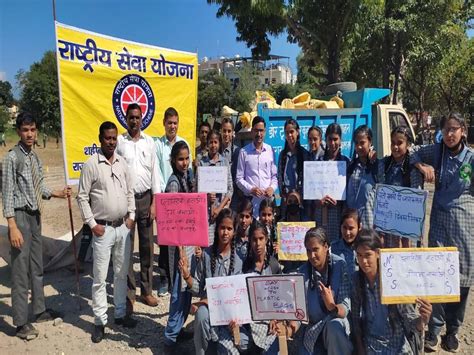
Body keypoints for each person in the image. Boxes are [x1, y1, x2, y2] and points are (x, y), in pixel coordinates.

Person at [2, 112, 71, 340]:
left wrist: (58, 193)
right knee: (21, 271)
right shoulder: (12, 158)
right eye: (25, 130)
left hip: (35, 216)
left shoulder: (34, 157)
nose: (29, 134)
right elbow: (7, 193)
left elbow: (40, 185)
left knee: (37, 266)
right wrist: (11, 225)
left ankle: (39, 310)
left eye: (32, 130)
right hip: (20, 218)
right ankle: (20, 322)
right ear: (19, 131)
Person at [411, 112, 473, 353]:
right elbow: (413, 151)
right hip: (438, 223)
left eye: (454, 129)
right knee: (436, 275)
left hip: (465, 225)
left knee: (463, 280)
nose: (449, 134)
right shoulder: (436, 151)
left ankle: (453, 331)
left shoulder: (471, 158)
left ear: (463, 131)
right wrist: (422, 166)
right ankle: (434, 332)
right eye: (446, 129)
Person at [76, 121, 137, 343]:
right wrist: (93, 225)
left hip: (122, 228)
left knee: (121, 274)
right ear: (100, 139)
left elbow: (130, 191)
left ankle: (119, 314)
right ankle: (100, 321)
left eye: (114, 138)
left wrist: (131, 217)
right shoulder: (92, 164)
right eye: (107, 138)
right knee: (100, 278)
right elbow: (82, 197)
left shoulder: (122, 163)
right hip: (102, 230)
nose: (111, 142)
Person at [352, 229, 432, 354]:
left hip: (397, 347)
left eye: (368, 255)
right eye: (359, 255)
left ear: (378, 253)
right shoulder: (357, 280)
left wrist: (422, 320)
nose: (363, 261)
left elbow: (409, 319)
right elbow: (355, 319)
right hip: (371, 346)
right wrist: (361, 348)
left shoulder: (393, 280)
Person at [178, 208, 244, 355]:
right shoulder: (207, 255)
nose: (225, 233)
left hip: (229, 313)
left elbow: (238, 297)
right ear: (216, 229)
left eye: (229, 228)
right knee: (201, 315)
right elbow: (198, 289)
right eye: (222, 228)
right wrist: (187, 276)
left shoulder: (239, 260)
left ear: (234, 231)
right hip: (209, 309)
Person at [278, 227, 352, 355]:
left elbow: (345, 308)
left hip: (335, 327)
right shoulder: (302, 273)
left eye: (316, 249)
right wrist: (289, 330)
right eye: (308, 250)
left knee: (334, 325)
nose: (312, 255)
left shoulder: (340, 265)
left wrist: (332, 307)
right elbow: (301, 314)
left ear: (326, 247)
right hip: (313, 330)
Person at [116, 103, 161, 312]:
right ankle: (129, 293)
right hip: (126, 201)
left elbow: (154, 173)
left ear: (142, 119)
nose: (134, 120)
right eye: (131, 117)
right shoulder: (119, 142)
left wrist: (155, 202)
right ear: (126, 118)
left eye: (137, 117)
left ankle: (146, 291)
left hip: (145, 199)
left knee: (146, 248)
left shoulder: (149, 142)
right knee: (126, 247)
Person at [155, 107, 192, 296]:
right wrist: (164, 195)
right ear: (164, 123)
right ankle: (166, 279)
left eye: (175, 123)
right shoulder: (157, 145)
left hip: (180, 200)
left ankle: (180, 278)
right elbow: (157, 172)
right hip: (165, 196)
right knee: (166, 243)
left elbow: (189, 172)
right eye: (169, 123)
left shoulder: (184, 144)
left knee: (179, 244)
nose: (172, 126)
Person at [163, 140, 197, 349]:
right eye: (180, 159)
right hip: (179, 248)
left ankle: (177, 329)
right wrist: (181, 251)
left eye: (186, 159)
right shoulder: (174, 183)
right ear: (173, 161)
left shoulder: (187, 178)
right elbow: (173, 221)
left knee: (185, 289)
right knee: (178, 291)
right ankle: (170, 338)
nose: (184, 163)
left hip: (187, 243)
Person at [369, 126, 423, 248]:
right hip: (387, 222)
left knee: (406, 253)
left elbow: (417, 199)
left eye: (400, 143)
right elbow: (380, 189)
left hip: (407, 222)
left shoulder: (413, 168)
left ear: (408, 144)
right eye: (393, 143)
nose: (395, 147)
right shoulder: (385, 164)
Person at [236, 116, 278, 217]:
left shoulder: (270, 150)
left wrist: (272, 188)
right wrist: (251, 189)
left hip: (268, 204)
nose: (259, 134)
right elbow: (239, 179)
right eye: (256, 131)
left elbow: (274, 176)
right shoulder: (244, 152)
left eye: (261, 131)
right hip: (251, 203)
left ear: (265, 132)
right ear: (252, 131)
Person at [316, 123, 351, 242]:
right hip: (321, 212)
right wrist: (318, 200)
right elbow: (313, 188)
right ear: (325, 139)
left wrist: (340, 201)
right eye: (330, 139)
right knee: (321, 242)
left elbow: (349, 190)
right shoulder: (318, 162)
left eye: (335, 139)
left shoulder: (347, 162)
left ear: (341, 140)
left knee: (338, 243)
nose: (332, 143)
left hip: (339, 212)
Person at [197, 130, 233, 245]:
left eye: (216, 142)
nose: (213, 145)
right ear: (207, 144)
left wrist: (219, 208)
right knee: (208, 243)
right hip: (206, 213)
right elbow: (197, 190)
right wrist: (206, 196)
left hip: (221, 211)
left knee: (222, 242)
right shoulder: (202, 163)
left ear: (219, 143)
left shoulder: (224, 162)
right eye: (211, 142)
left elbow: (230, 189)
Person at [346, 125, 377, 228]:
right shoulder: (351, 167)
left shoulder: (378, 166)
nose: (359, 147)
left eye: (362, 143)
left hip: (371, 227)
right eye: (356, 143)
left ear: (370, 142)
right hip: (353, 228)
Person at [277, 118, 309, 215]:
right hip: (286, 202)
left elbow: (308, 179)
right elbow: (279, 177)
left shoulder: (304, 154)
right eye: (287, 133)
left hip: (302, 203)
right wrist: (285, 196)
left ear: (298, 132)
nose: (289, 135)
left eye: (292, 132)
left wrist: (300, 196)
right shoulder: (283, 155)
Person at [330, 208, 361, 277]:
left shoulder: (363, 249)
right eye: (344, 228)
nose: (347, 233)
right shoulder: (332, 249)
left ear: (359, 227)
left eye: (351, 228)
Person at [220, 117, 241, 209]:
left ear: (233, 133)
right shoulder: (215, 151)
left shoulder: (238, 152)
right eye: (224, 131)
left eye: (229, 131)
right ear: (220, 132)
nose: (226, 134)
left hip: (234, 196)